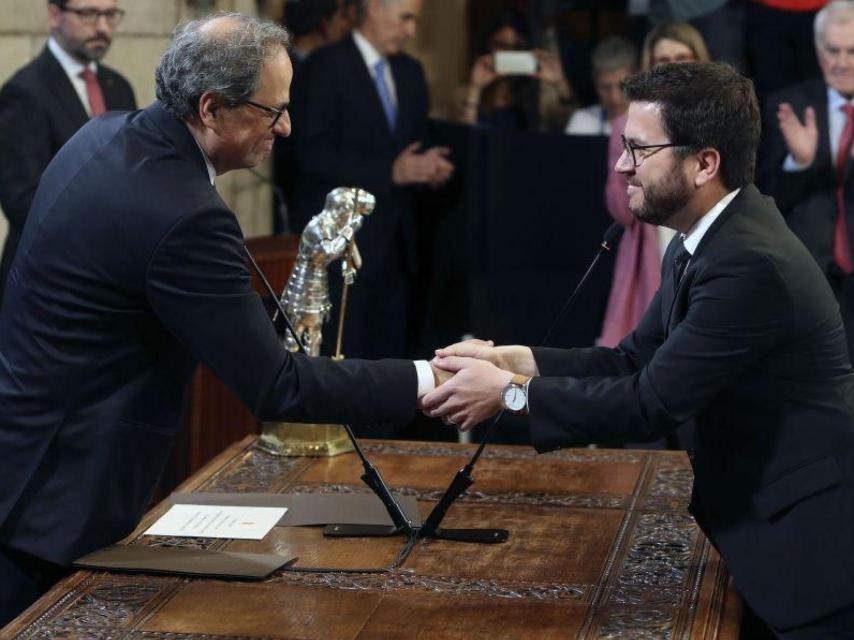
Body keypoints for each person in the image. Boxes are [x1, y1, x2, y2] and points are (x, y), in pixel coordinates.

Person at [0, 12, 444, 626]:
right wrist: (431, 379)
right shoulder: (183, 213)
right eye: (272, 111)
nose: (286, 128)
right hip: (56, 502)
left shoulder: (104, 134)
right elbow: (279, 386)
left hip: (24, 463)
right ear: (211, 109)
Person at [424, 62, 854, 638]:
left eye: (639, 149)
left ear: (705, 163)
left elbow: (649, 403)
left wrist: (509, 397)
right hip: (762, 533)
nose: (621, 164)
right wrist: (515, 360)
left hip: (810, 558)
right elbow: (632, 359)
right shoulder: (703, 237)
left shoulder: (751, 263)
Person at [288, 0, 453, 368]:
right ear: (375, 8)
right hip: (342, 248)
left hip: (401, 247)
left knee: (391, 361)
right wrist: (391, 171)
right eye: (405, 18)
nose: (411, 31)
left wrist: (427, 166)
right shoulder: (325, 66)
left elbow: (411, 144)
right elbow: (310, 156)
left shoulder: (410, 72)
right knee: (343, 360)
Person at [0, 0, 136, 306]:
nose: (102, 27)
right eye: (88, 13)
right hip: (45, 283)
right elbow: (23, 201)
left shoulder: (118, 86)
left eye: (110, 15)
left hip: (110, 279)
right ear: (53, 14)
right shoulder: (24, 92)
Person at [600, 21, 710, 350]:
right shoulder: (626, 125)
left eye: (683, 57)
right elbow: (622, 210)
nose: (674, 66)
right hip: (650, 247)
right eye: (663, 59)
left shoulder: (718, 121)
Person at [759, 0, 854, 366]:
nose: (842, 62)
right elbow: (763, 201)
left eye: (851, 51)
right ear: (817, 50)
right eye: (833, 51)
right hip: (809, 282)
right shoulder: (789, 107)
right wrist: (798, 163)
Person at [457, 11, 574, 132]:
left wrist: (560, 83)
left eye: (517, 47)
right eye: (501, 45)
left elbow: (571, 128)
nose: (509, 53)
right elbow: (465, 137)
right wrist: (475, 89)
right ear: (488, 46)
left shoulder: (541, 92)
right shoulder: (466, 93)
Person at [565, 37, 636, 137]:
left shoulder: (651, 122)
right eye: (605, 88)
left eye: (622, 87)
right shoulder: (582, 121)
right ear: (595, 83)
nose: (614, 97)